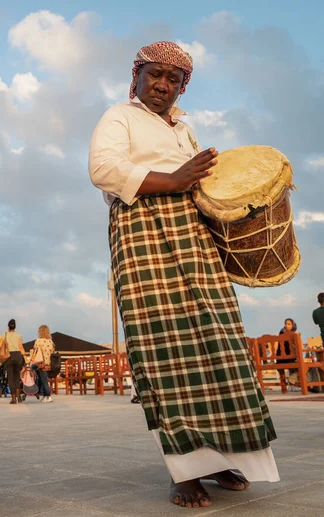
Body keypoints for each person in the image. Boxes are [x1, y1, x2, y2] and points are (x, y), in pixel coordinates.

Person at [88, 41, 278, 509]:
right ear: (136, 76)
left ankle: (222, 458)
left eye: (174, 80)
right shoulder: (119, 116)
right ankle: (185, 469)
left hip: (193, 237)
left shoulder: (186, 129)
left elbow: (203, 185)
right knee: (165, 350)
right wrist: (174, 180)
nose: (163, 85)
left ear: (182, 87)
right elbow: (102, 169)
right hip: (142, 233)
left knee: (218, 345)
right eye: (155, 75)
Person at [28, 325, 55, 403]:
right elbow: (52, 351)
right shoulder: (51, 341)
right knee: (43, 378)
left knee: (43, 379)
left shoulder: (38, 341)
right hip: (48, 364)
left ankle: (48, 396)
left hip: (40, 363)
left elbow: (35, 351)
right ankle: (44, 395)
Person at [3, 319, 26, 404]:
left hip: (9, 356)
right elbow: (20, 347)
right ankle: (18, 396)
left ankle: (13, 398)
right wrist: (25, 357)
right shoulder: (18, 335)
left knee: (10, 378)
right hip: (18, 356)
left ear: (8, 326)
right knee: (17, 377)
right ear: (15, 327)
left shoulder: (5, 335)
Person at [277, 318, 299, 385]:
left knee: (296, 367)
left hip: (279, 360)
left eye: (289, 324)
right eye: (286, 324)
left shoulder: (281, 332)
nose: (286, 325)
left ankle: (293, 382)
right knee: (305, 367)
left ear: (293, 325)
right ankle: (292, 380)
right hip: (287, 359)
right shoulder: (291, 334)